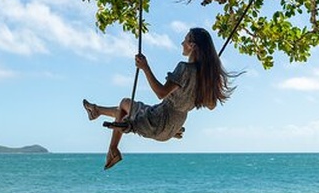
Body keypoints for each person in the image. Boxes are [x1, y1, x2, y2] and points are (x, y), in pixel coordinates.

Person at [83, 27, 236, 169]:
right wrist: (197, 90)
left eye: (185, 40)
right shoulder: (206, 77)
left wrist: (145, 68)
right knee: (124, 110)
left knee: (124, 103)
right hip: (173, 127)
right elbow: (211, 105)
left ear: (192, 46)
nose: (182, 43)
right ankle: (96, 111)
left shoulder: (184, 69)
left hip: (159, 120)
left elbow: (161, 93)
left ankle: (112, 149)